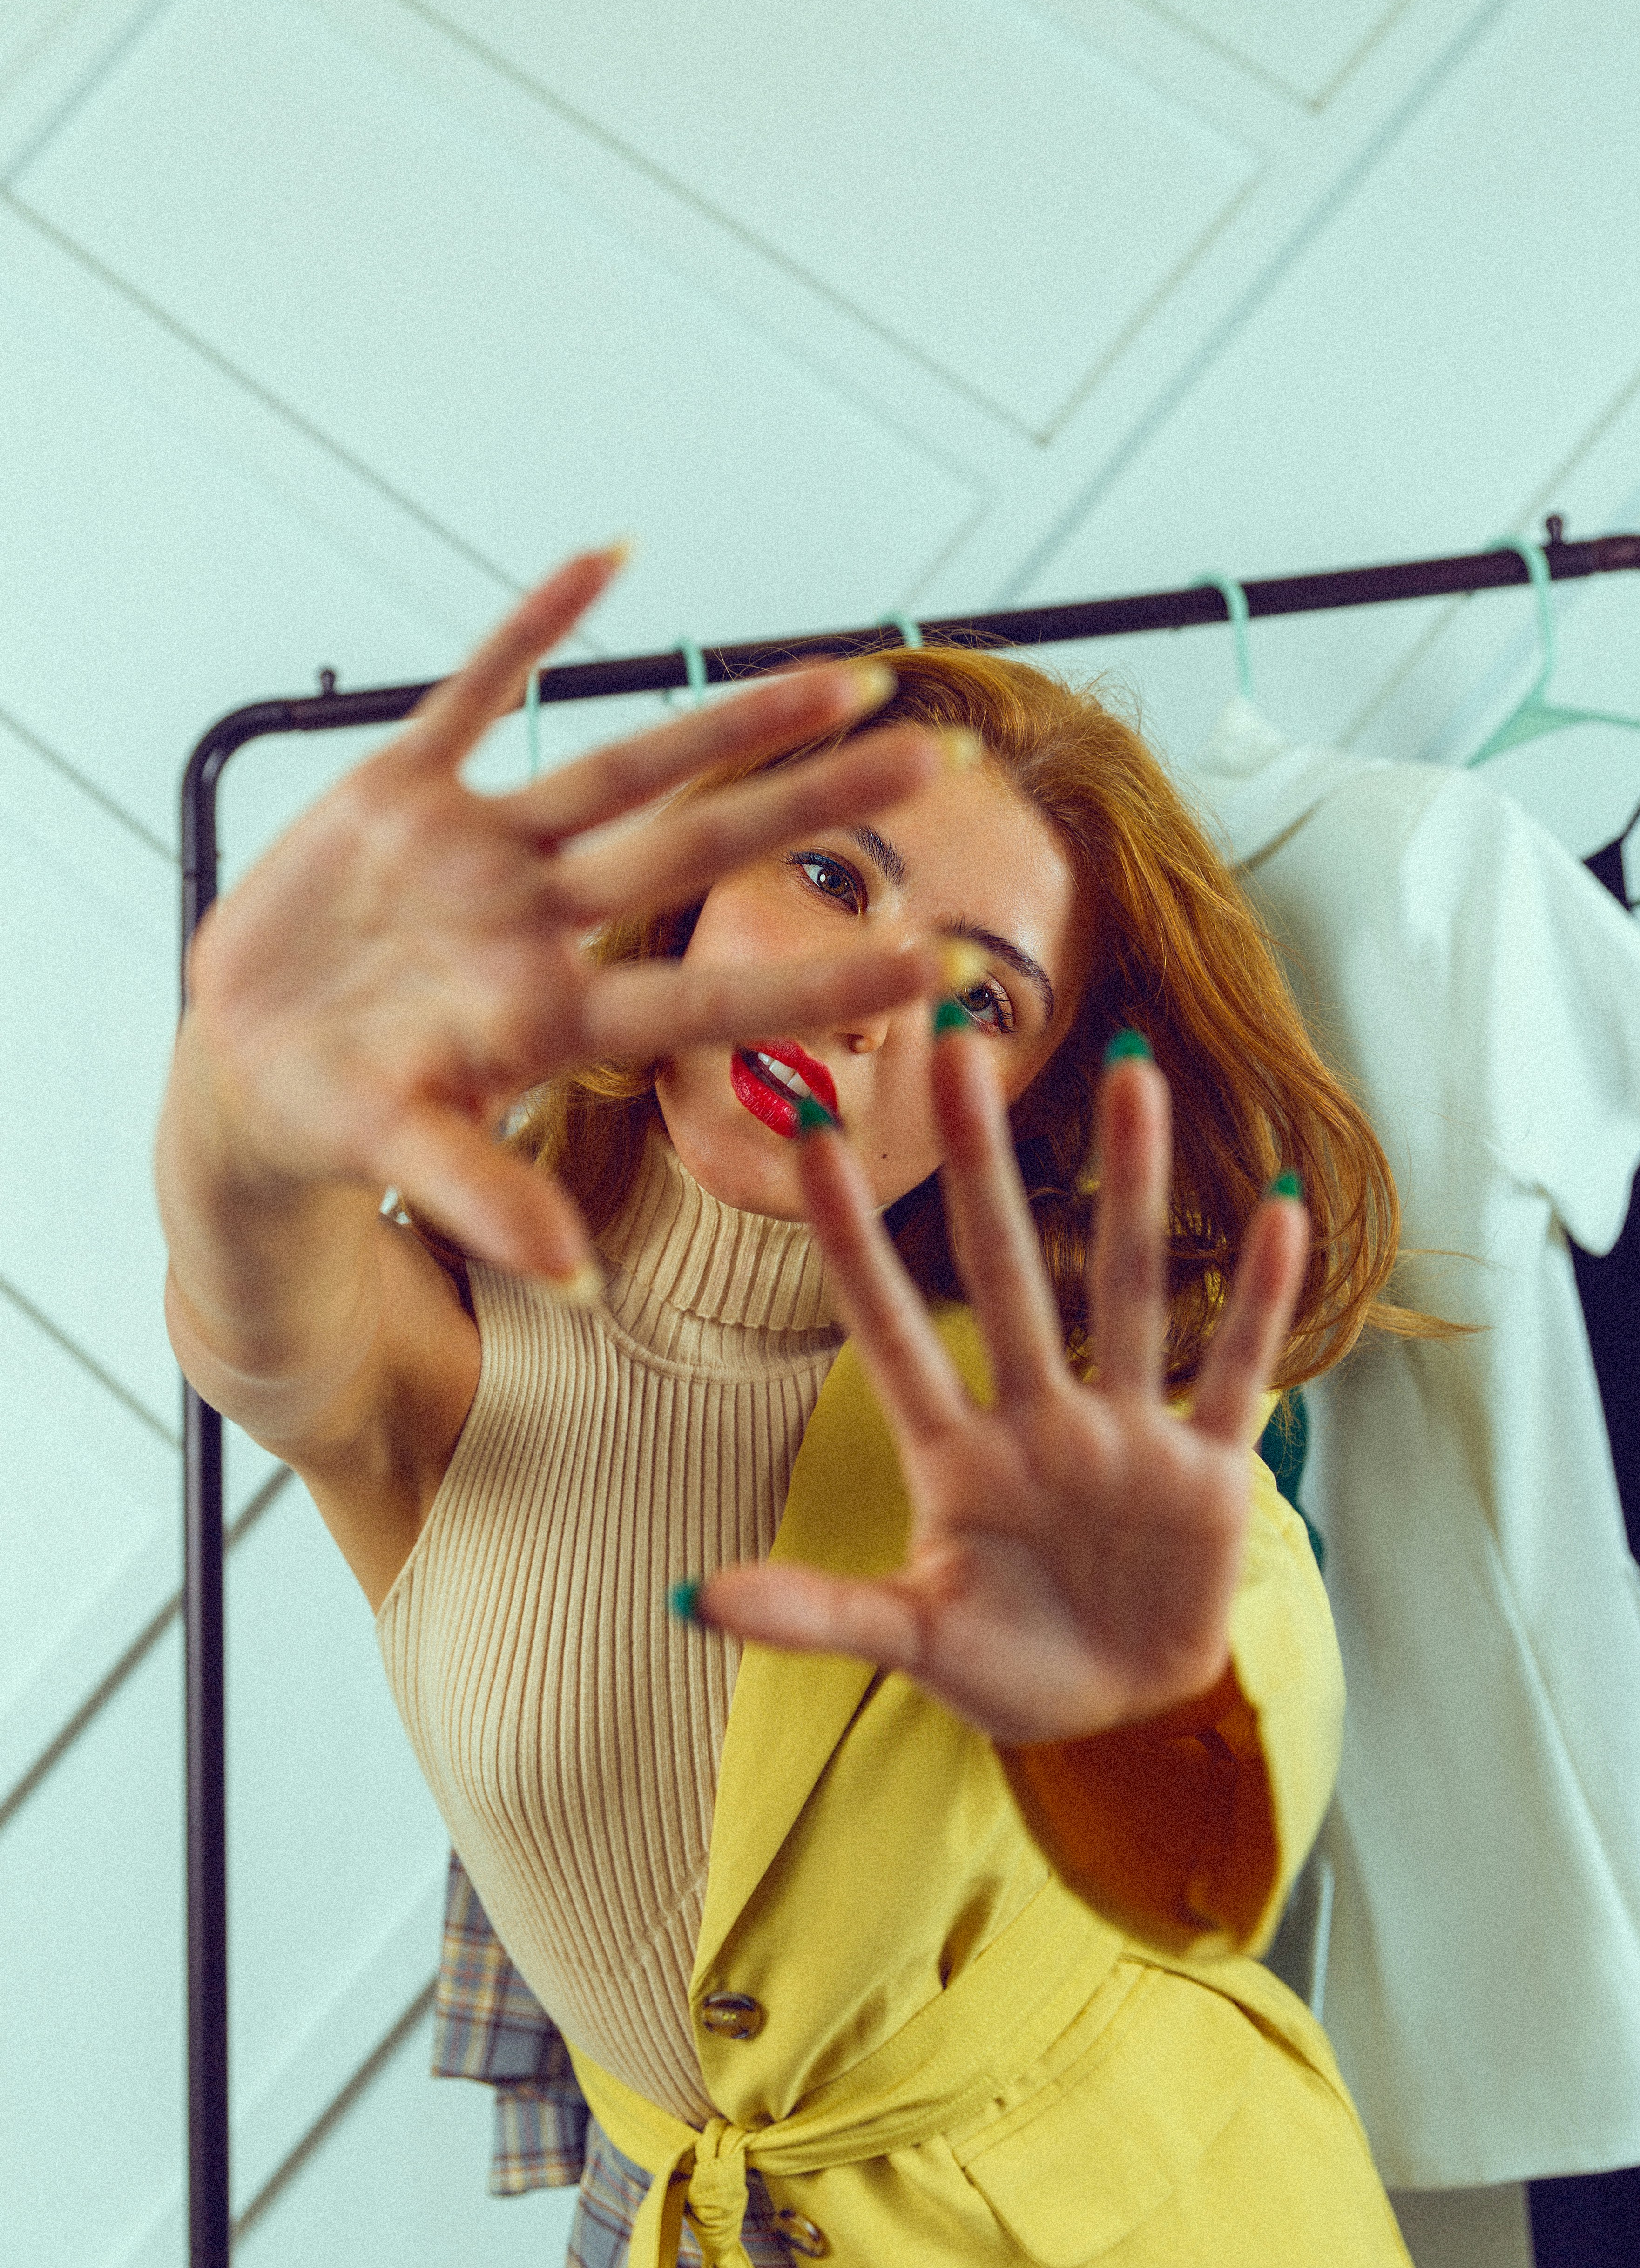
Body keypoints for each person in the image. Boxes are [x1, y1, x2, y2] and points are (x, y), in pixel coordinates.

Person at [157, 547, 1413, 2265]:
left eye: (981, 1000)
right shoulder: (441, 1339)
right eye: (828, 877)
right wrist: (242, 1082)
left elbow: (1219, 1819)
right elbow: (246, 1299)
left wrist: (1133, 1704)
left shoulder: (1065, 1410)